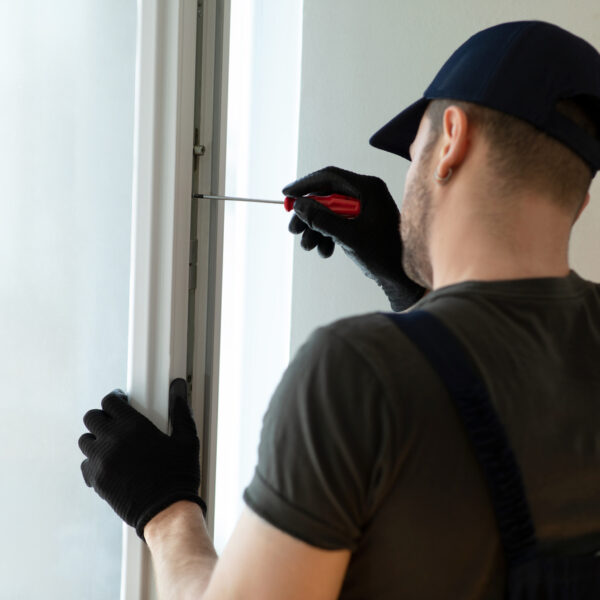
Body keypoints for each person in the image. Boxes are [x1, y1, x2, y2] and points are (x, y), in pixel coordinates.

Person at [79, 20, 600, 598]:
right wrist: (410, 289)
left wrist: (164, 508)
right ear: (579, 197)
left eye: (414, 151)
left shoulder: (356, 374)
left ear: (450, 139)